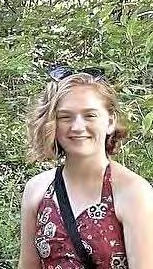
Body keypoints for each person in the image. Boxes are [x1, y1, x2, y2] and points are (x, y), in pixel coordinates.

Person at [19, 68, 153, 268]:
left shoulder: (133, 193)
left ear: (110, 121)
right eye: (65, 117)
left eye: (90, 115)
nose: (77, 127)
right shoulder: (37, 190)